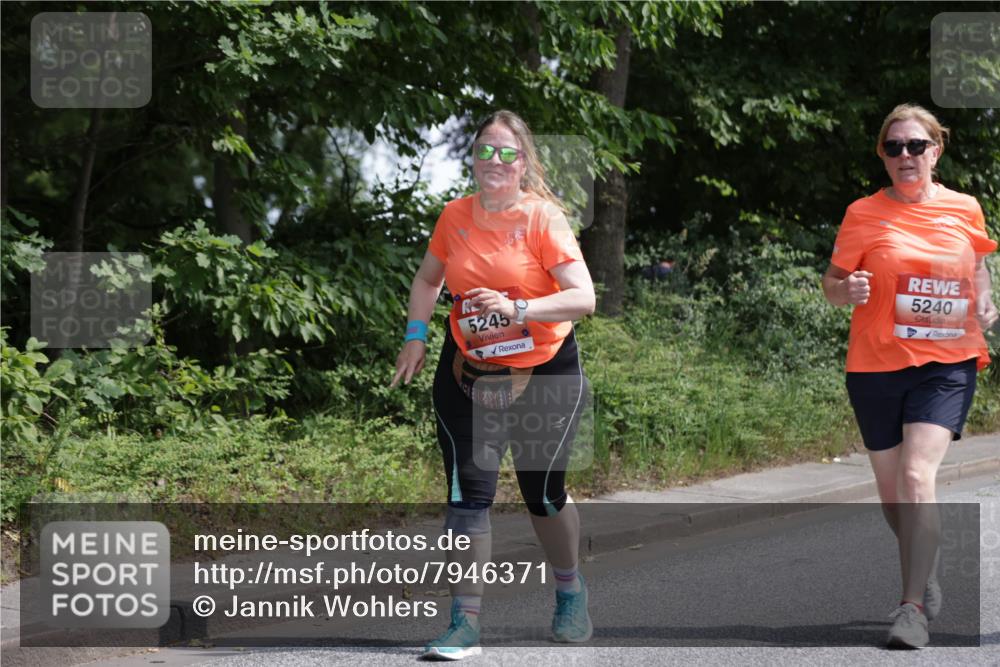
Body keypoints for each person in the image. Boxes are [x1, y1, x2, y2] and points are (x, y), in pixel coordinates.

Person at [391, 110, 597, 660]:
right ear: (474, 158)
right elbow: (428, 279)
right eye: (485, 151)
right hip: (469, 374)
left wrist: (517, 307)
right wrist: (415, 336)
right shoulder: (454, 217)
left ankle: (570, 591)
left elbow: (583, 297)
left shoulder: (542, 219)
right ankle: (465, 624)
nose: (495, 162)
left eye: (507, 153)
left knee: (543, 495)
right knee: (467, 498)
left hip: (545, 371)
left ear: (523, 163)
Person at [822, 103, 998, 649]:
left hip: (947, 363)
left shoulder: (964, 208)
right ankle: (928, 561)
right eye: (893, 147)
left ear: (935, 151)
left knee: (918, 478)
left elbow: (976, 263)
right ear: (883, 155)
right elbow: (831, 281)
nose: (905, 155)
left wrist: (986, 301)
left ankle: (911, 608)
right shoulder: (862, 214)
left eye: (915, 146)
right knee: (894, 497)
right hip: (875, 365)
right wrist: (844, 291)